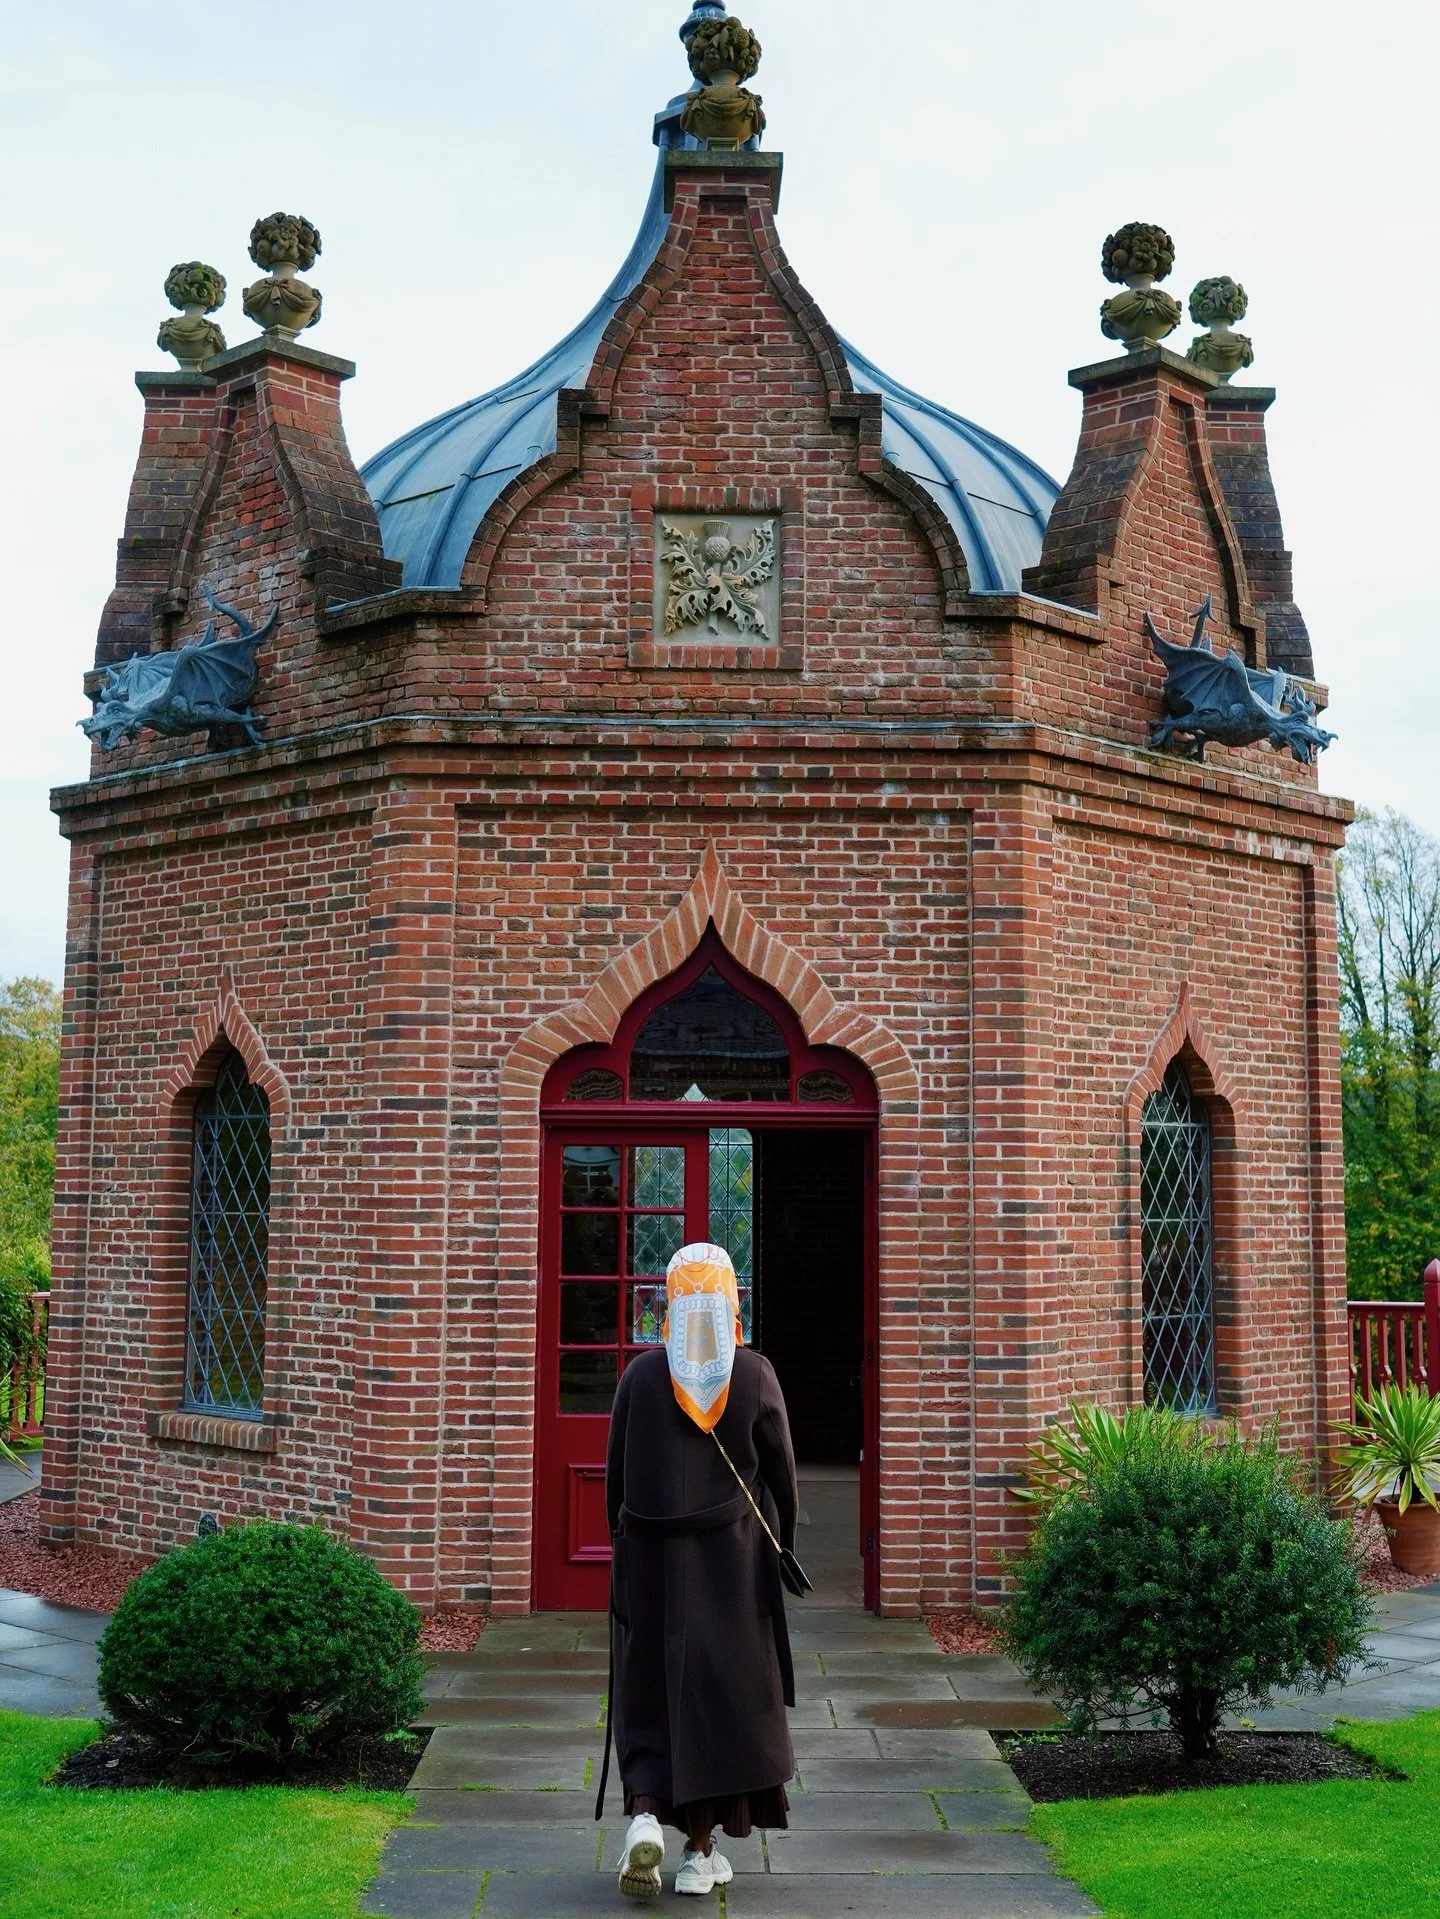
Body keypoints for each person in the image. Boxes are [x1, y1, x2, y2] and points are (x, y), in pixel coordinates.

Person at [602, 1242, 799, 1899]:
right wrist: (782, 1542)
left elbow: (615, 1482)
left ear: (672, 1299)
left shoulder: (637, 1378)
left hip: (650, 1565)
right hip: (730, 1569)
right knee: (722, 1698)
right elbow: (783, 1476)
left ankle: (643, 1817)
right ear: (730, 1298)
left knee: (650, 1685)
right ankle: (698, 1852)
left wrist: (625, 1543)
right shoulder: (755, 1375)